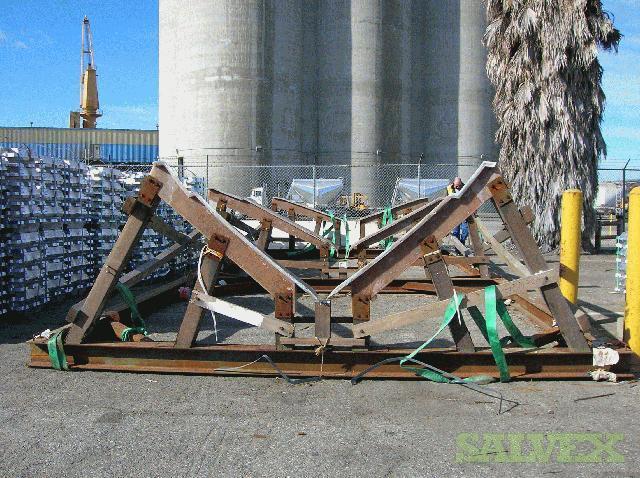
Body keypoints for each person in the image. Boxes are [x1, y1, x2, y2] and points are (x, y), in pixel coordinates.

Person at [448, 176, 469, 244]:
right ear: (453, 183)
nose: (457, 187)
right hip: (454, 212)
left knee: (465, 230)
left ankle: (462, 242)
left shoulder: (466, 188)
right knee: (456, 231)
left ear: (461, 183)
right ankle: (457, 246)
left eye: (459, 186)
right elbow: (444, 199)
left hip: (464, 211)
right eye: (456, 186)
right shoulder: (448, 189)